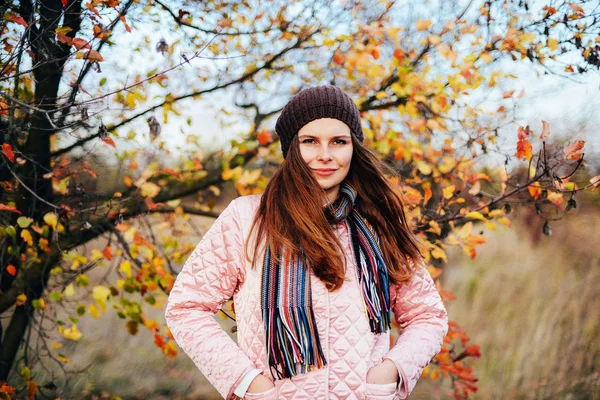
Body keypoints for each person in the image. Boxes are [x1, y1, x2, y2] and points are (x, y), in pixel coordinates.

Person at [164, 85, 448, 400]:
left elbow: (427, 315)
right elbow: (186, 307)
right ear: (291, 149)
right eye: (310, 141)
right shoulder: (246, 219)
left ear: (353, 148)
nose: (325, 155)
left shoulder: (377, 223)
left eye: (338, 141)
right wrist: (249, 384)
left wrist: (390, 372)